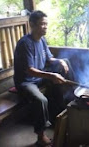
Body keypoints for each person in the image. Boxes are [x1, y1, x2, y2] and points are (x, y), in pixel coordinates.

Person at [14, 10, 74, 147]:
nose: (45, 27)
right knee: (41, 99)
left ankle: (72, 97)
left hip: (39, 76)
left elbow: (49, 58)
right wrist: (52, 75)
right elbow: (29, 70)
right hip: (26, 82)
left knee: (65, 61)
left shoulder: (42, 40)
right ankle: (41, 136)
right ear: (32, 25)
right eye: (42, 24)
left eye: (46, 24)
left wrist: (60, 61)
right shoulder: (25, 43)